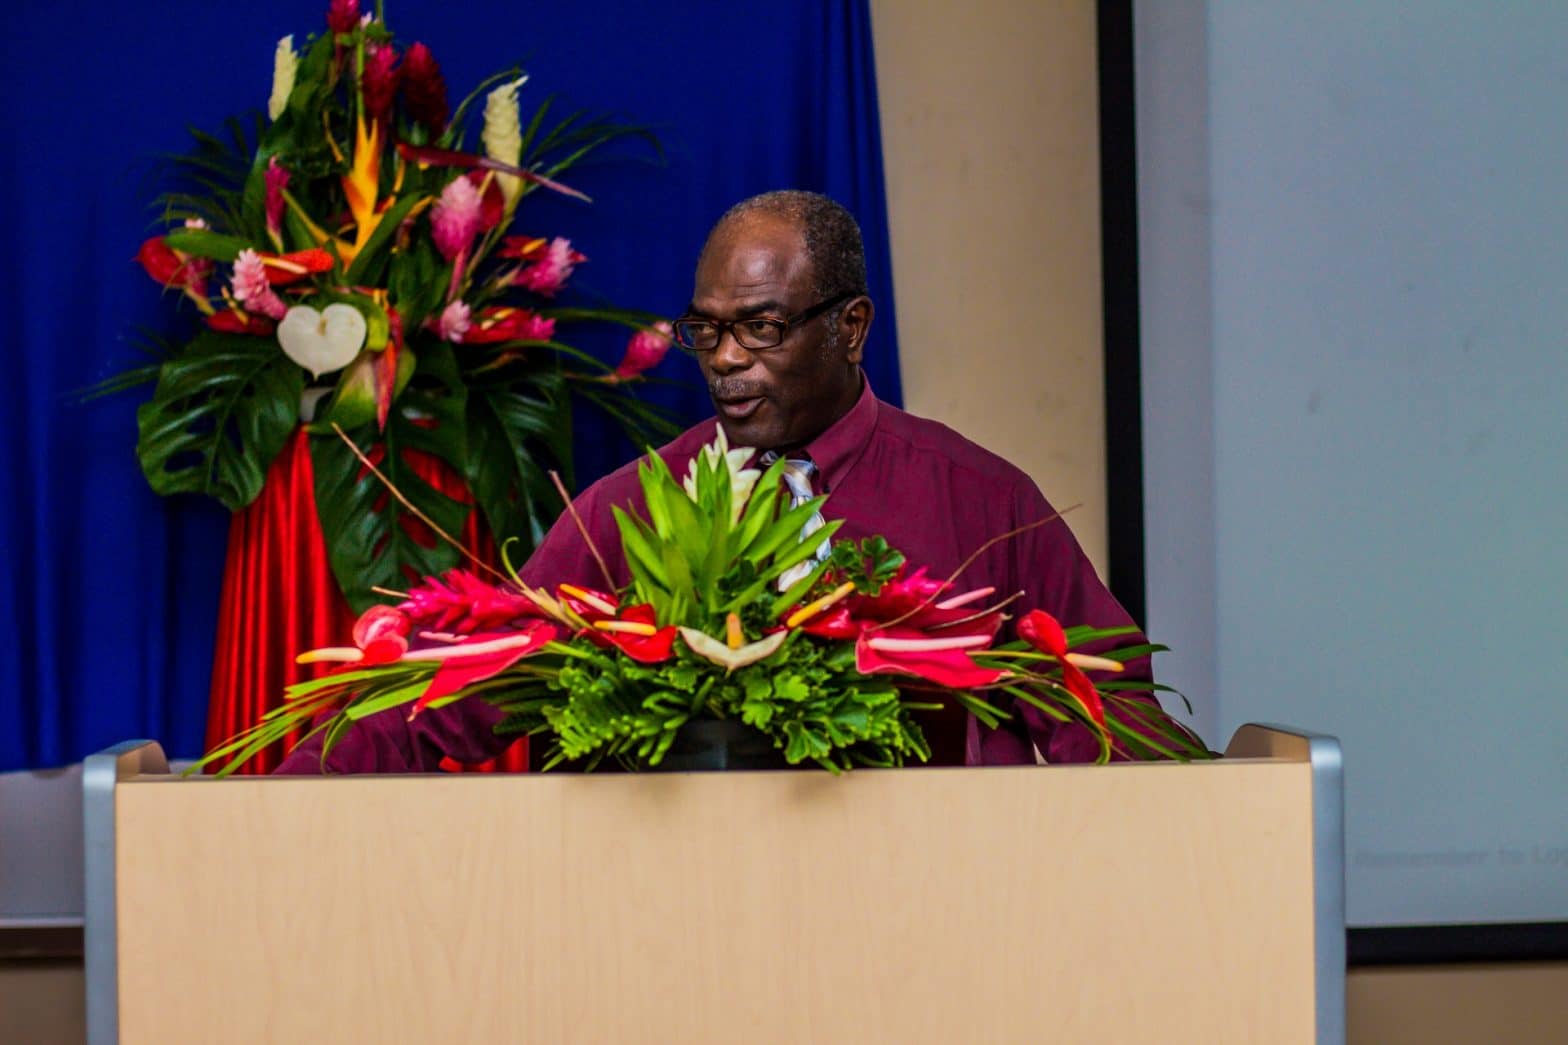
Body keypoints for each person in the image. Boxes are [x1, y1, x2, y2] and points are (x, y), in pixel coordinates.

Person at [276, 190, 1157, 774]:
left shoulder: (979, 501)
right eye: (708, 330)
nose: (728, 359)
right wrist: (259, 802)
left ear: (850, 328)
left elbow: (1112, 706)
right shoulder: (627, 512)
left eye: (764, 327)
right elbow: (454, 698)